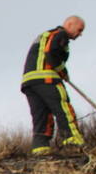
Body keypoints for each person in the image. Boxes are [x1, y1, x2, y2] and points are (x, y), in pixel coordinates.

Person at [21, 16, 86, 155]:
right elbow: (51, 53)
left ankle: (40, 149)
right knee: (63, 108)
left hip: (29, 83)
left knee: (42, 116)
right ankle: (73, 141)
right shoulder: (60, 34)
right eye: (79, 30)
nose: (80, 34)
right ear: (69, 24)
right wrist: (63, 70)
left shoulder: (45, 35)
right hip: (47, 79)